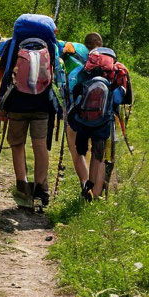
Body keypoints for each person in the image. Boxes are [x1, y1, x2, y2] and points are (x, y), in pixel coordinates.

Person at [0, 14, 61, 210]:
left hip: (17, 104)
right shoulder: (51, 47)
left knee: (17, 145)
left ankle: (22, 187)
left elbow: (5, 75)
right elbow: (57, 77)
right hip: (42, 105)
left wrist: (2, 107)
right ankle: (41, 188)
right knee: (40, 146)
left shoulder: (12, 46)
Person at [67, 44, 132, 201]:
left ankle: (85, 184)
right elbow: (121, 99)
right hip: (104, 121)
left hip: (83, 120)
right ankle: (95, 192)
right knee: (99, 154)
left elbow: (73, 92)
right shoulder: (116, 72)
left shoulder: (84, 71)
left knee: (80, 150)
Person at [60, 32, 102, 186]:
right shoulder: (106, 58)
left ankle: (85, 184)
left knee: (76, 149)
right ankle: (98, 187)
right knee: (97, 149)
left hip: (76, 111)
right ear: (99, 43)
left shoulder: (73, 48)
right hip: (100, 114)